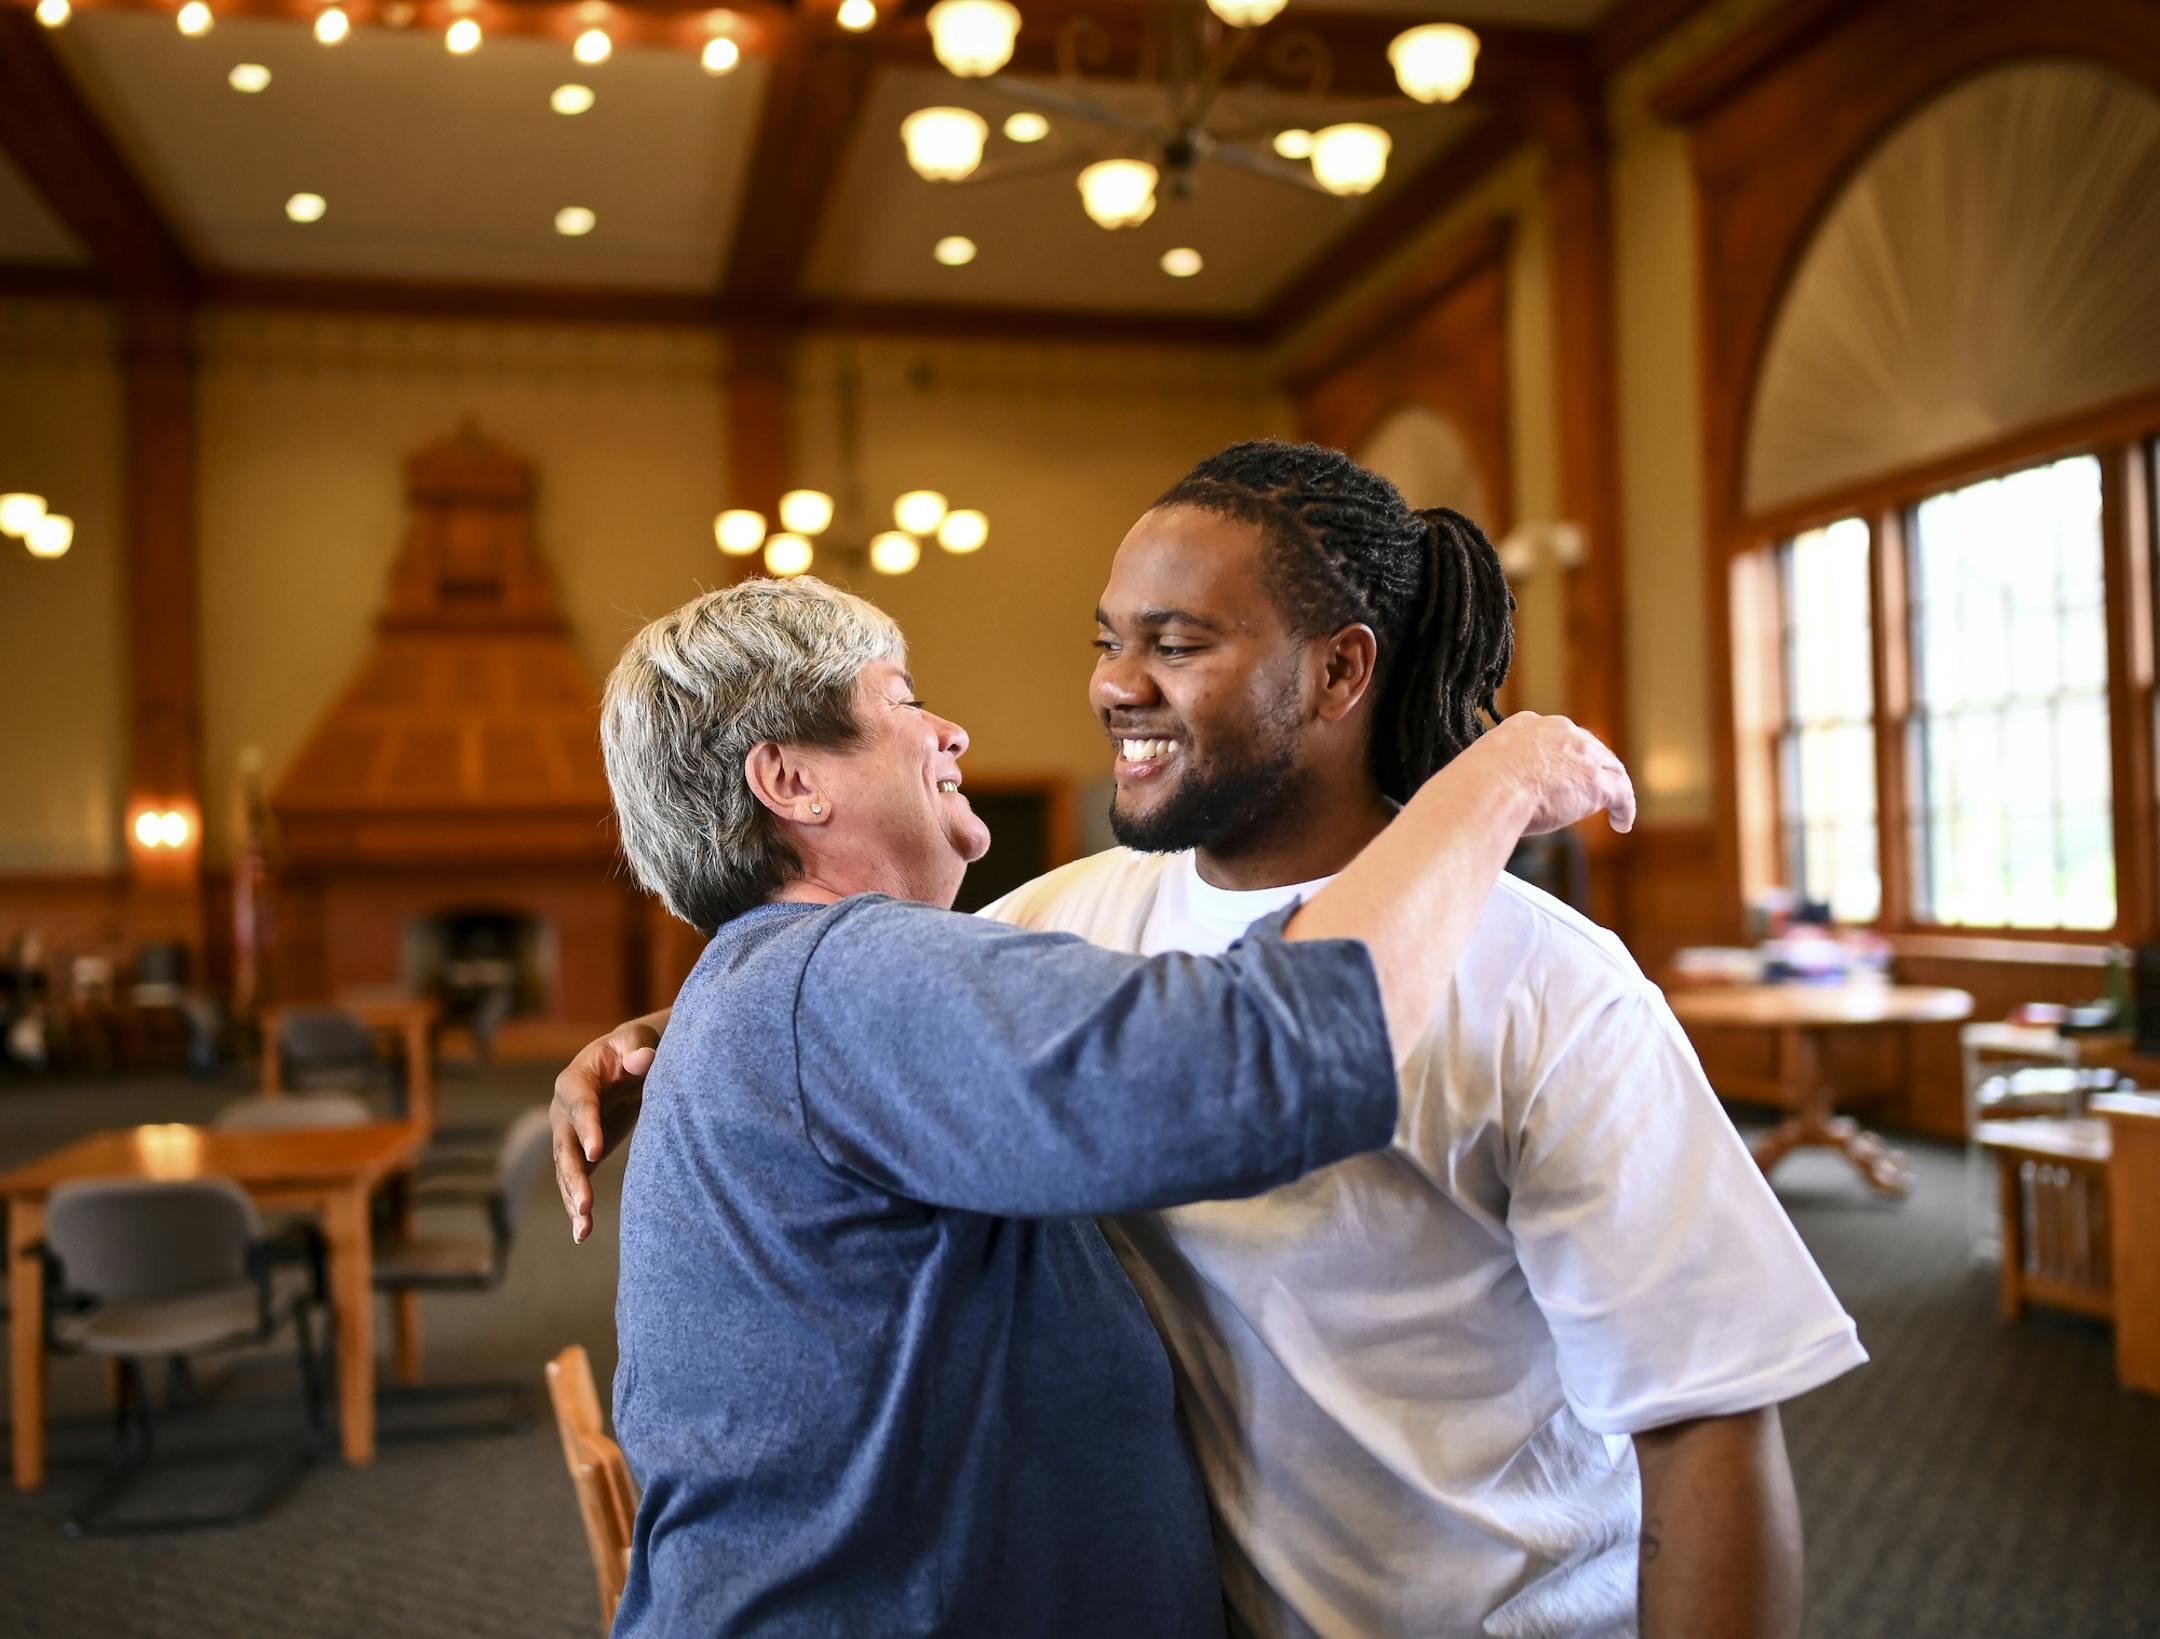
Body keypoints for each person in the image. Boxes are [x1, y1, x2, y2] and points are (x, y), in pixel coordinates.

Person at [560, 442, 1860, 1638]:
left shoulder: (1551, 980)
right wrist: (1500, 778)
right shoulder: (1055, 922)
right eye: (1108, 640)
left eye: (1173, 642)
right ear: (791, 783)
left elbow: (1711, 1427)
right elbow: (881, 1017)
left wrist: (681, 1035)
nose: (1111, 684)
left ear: (1342, 669)